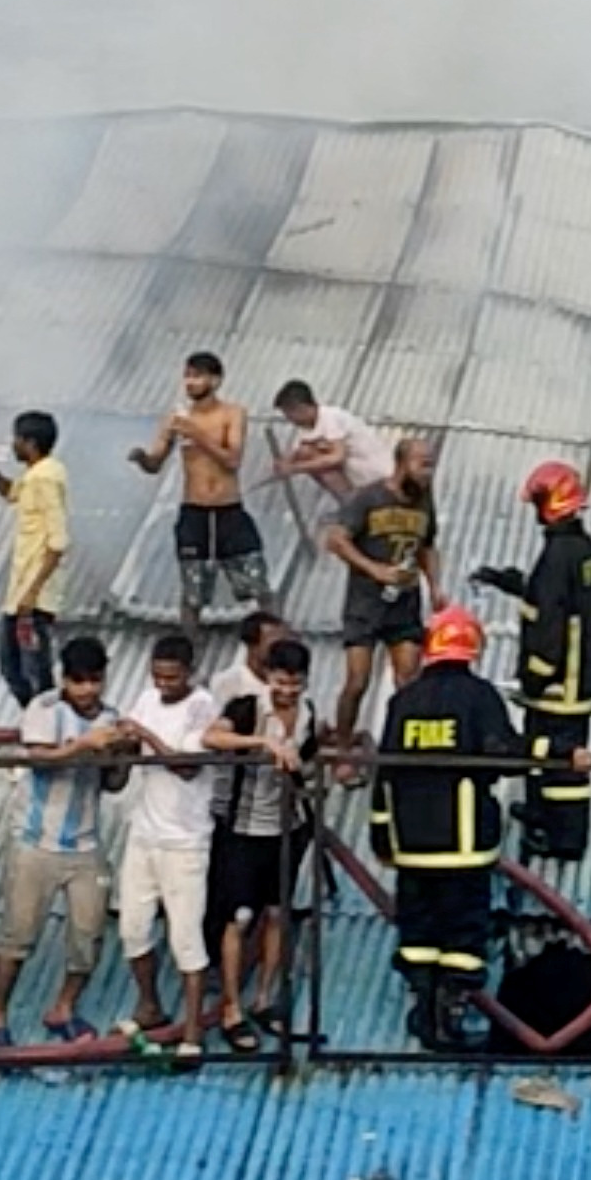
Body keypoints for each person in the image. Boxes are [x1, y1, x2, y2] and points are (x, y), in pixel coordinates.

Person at [371, 605, 517, 1051]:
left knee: (418, 929)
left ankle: (423, 1005)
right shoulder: (479, 697)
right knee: (463, 930)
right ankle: (450, 1014)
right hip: (464, 843)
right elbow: (504, 751)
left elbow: (384, 773)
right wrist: (558, 753)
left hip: (411, 844)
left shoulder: (403, 700)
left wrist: (381, 833)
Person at [0, 637, 130, 1050]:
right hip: (35, 842)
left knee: (89, 934)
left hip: (85, 844)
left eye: (94, 681)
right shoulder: (44, 709)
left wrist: (123, 754)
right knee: (18, 934)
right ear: (65, 678)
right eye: (79, 681)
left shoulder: (112, 718)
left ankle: (64, 1006)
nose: (87, 690)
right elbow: (37, 760)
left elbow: (114, 785)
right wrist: (84, 744)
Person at [472, 459, 591, 861]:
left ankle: (562, 837)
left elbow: (548, 622)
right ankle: (542, 813)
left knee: (558, 757)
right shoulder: (580, 548)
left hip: (558, 682)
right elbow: (554, 595)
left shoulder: (559, 553)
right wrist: (510, 581)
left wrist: (534, 677)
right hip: (579, 676)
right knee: (554, 752)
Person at [203, 637, 317, 1051]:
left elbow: (310, 759)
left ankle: (265, 997)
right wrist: (263, 743)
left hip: (287, 829)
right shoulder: (247, 708)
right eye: (280, 682)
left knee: (276, 913)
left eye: (295, 683)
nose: (287, 691)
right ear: (268, 678)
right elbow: (212, 738)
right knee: (237, 918)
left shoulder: (308, 715)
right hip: (243, 829)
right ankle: (231, 1007)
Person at [115, 634, 221, 1061]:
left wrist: (145, 734)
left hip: (185, 839)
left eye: (171, 677)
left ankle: (193, 1030)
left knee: (185, 937)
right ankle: (150, 1004)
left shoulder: (202, 708)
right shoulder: (145, 699)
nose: (162, 684)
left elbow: (186, 766)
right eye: (157, 676)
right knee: (133, 928)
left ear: (189, 672)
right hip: (144, 831)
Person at [321, 434, 443, 749]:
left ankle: (404, 743)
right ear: (402, 463)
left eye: (431, 466)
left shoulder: (425, 500)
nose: (428, 473)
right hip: (365, 603)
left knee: (409, 680)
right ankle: (344, 744)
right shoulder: (368, 498)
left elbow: (427, 547)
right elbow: (336, 540)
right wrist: (374, 569)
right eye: (423, 465)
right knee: (358, 681)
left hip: (405, 602)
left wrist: (436, 587)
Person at [132, 350, 267, 627]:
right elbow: (156, 462)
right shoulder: (175, 418)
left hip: (229, 510)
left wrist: (197, 434)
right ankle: (189, 652)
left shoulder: (232, 413)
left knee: (257, 585)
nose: (190, 383)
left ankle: (275, 643)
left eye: (197, 376)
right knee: (192, 594)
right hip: (194, 512)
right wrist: (143, 459)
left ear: (215, 381)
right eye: (187, 376)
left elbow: (232, 460)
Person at [0, 415, 72, 711]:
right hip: (20, 592)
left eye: (17, 439)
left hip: (33, 595)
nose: (14, 444)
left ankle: (46, 726)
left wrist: (33, 592)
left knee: (34, 670)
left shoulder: (46, 477)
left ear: (30, 443)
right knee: (12, 666)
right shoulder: (35, 475)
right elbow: (11, 493)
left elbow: (58, 541)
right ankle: (36, 721)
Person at [264, 380, 393, 500]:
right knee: (306, 454)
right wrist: (285, 464)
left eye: (289, 414)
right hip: (361, 482)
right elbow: (297, 451)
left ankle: (349, 501)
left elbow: (337, 457)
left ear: (300, 408)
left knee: (314, 459)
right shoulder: (308, 429)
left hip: (378, 476)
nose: (289, 420)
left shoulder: (330, 417)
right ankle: (349, 501)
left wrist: (296, 468)